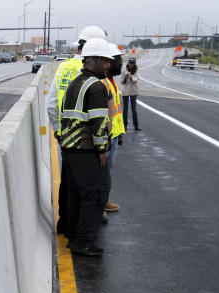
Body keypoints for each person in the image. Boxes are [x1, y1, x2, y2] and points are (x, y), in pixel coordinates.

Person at [48, 25, 106, 239]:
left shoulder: (63, 68)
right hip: (87, 141)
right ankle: (81, 233)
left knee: (67, 183)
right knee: (87, 188)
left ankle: (65, 223)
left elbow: (52, 103)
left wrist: (58, 129)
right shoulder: (97, 73)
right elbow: (100, 111)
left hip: (65, 137)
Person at [59, 38, 116, 257]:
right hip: (86, 150)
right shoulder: (96, 86)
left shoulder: (75, 83)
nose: (108, 66)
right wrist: (102, 149)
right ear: (93, 61)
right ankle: (83, 242)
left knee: (76, 195)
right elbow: (99, 121)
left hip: (70, 149)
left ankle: (74, 237)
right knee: (96, 195)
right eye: (105, 61)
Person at [102, 48, 125, 216]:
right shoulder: (103, 83)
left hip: (115, 134)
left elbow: (117, 111)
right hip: (106, 136)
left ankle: (103, 201)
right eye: (116, 60)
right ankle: (99, 205)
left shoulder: (112, 81)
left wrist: (120, 132)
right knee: (101, 171)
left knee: (107, 171)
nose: (120, 63)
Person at [121, 57, 140, 131]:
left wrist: (131, 77)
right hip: (125, 91)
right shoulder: (124, 71)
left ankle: (136, 125)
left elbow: (137, 78)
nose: (131, 65)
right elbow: (121, 82)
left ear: (135, 64)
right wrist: (125, 78)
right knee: (125, 109)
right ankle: (124, 125)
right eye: (130, 63)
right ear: (128, 63)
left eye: (133, 63)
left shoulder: (137, 70)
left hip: (133, 91)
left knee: (134, 109)